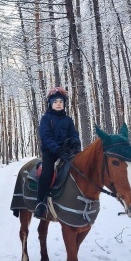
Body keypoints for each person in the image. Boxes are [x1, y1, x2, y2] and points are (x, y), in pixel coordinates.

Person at [34, 87, 81, 220]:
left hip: (68, 151)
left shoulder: (68, 120)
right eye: (55, 101)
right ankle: (41, 203)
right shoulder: (46, 118)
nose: (58, 103)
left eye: (61, 101)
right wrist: (57, 149)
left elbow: (74, 133)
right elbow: (46, 137)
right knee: (47, 173)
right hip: (51, 153)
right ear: (50, 103)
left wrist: (76, 143)